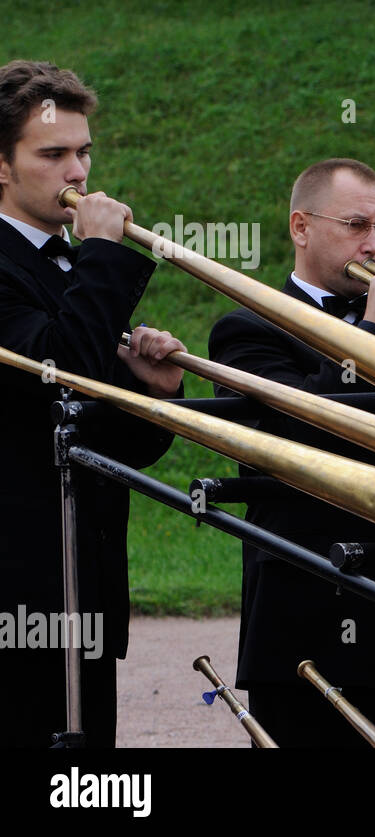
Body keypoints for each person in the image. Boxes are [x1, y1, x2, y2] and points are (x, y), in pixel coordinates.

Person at [209, 158, 375, 748]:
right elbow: (299, 435)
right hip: (308, 603)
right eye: (357, 226)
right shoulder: (247, 328)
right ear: (301, 227)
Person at [0, 60, 184, 747]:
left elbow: (96, 437)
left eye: (83, 152)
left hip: (83, 584)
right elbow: (55, 371)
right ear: (2, 167)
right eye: (52, 154)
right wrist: (105, 253)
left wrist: (147, 390)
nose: (76, 172)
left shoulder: (68, 267)